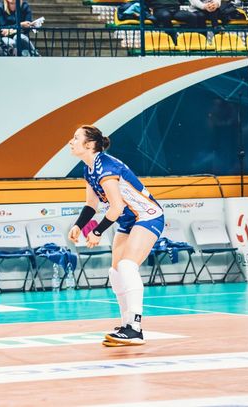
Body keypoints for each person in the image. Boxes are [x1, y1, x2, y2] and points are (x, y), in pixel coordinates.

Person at [68, 125, 164, 346]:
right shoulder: (89, 169)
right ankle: (125, 325)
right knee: (116, 271)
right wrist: (79, 226)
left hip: (147, 216)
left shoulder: (106, 167)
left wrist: (97, 231)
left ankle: (135, 329)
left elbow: (117, 207)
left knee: (128, 266)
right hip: (128, 221)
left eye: (75, 138)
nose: (70, 142)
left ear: (89, 145)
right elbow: (91, 205)